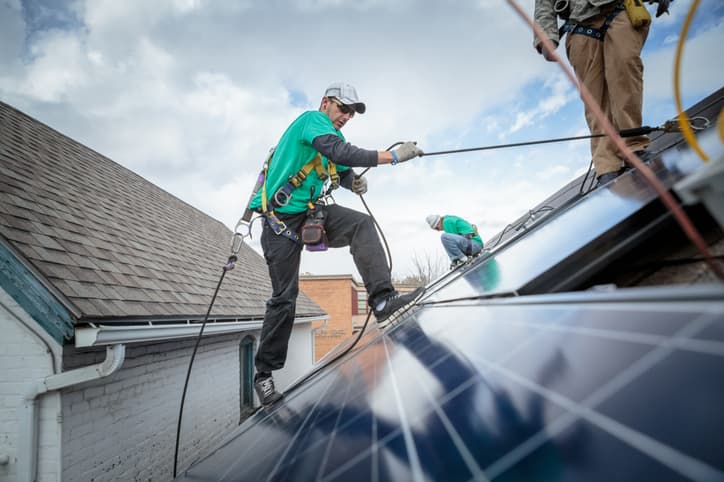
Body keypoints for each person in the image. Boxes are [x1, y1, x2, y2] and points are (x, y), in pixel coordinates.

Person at [248, 82, 424, 405]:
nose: (346, 116)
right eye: (343, 109)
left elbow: (339, 166)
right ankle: (263, 374)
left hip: (308, 216)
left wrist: (352, 180)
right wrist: (394, 156)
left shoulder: (333, 136)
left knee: (361, 225)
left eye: (351, 113)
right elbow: (340, 151)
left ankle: (382, 300)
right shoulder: (312, 121)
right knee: (285, 297)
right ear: (326, 102)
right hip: (278, 225)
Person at [533, 0, 670, 187]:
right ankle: (607, 166)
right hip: (579, 26)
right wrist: (545, 37)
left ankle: (634, 146)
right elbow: (543, 4)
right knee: (594, 99)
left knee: (625, 72)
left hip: (619, 10)